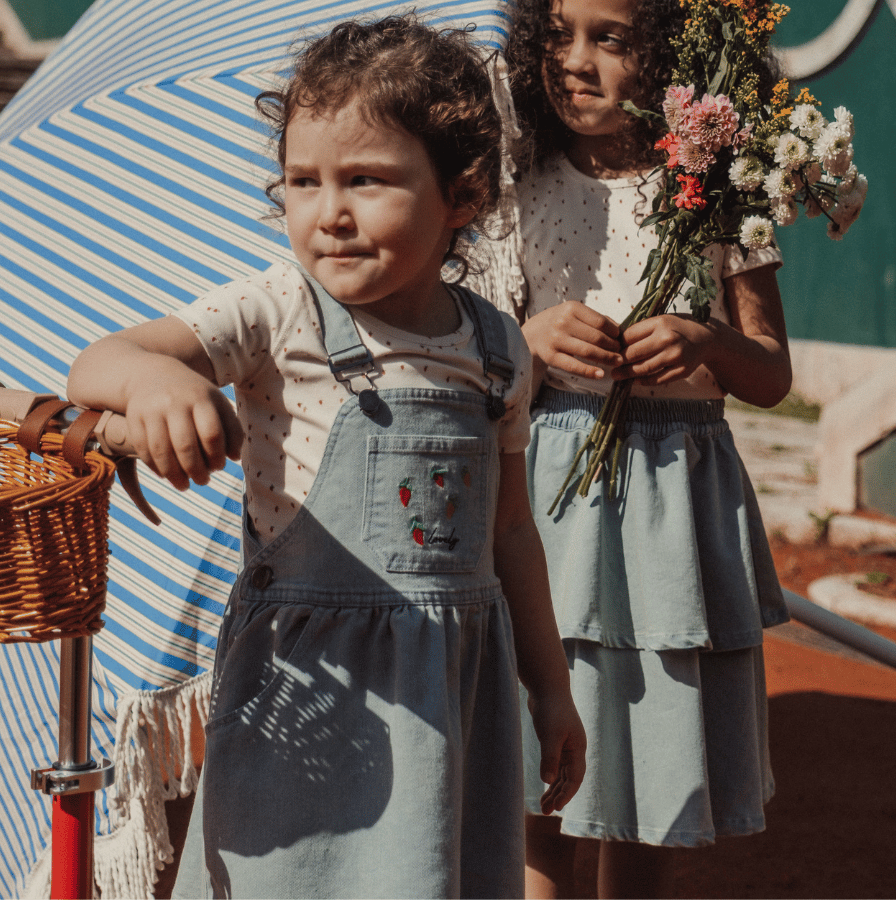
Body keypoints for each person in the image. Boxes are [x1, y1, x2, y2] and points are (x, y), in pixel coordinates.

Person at [67, 16, 586, 900]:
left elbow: (510, 534)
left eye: (367, 179)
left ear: (462, 194)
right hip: (304, 697)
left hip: (449, 695)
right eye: (302, 181)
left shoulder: (499, 346)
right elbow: (98, 362)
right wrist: (156, 383)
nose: (328, 213)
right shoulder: (277, 309)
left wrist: (552, 688)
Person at [466, 0, 793, 896]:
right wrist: (525, 340)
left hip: (671, 510)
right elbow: (470, 358)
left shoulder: (724, 193)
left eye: (609, 38)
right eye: (559, 36)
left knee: (642, 775)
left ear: (670, 58)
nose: (576, 61)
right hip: (547, 500)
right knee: (543, 776)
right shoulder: (511, 191)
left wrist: (706, 341)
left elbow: (770, 373)